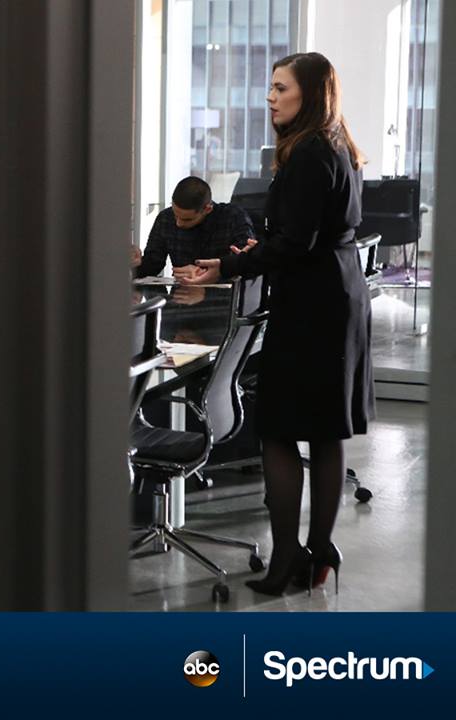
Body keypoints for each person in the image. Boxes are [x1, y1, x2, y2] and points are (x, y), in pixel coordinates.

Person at [184, 52, 374, 595]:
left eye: (280, 87)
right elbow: (306, 235)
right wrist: (254, 252)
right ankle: (320, 550)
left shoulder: (310, 153)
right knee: (326, 432)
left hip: (313, 305)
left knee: (278, 430)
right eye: (270, 87)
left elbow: (295, 243)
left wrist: (231, 265)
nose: (270, 97)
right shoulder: (337, 143)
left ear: (308, 94)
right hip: (338, 294)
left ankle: (289, 556)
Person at [133, 176, 255, 281]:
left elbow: (246, 262)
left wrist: (204, 273)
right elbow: (152, 265)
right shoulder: (165, 218)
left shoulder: (233, 217)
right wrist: (134, 263)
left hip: (222, 294)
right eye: (175, 215)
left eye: (187, 219)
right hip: (181, 295)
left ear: (207, 209)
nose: (178, 223)